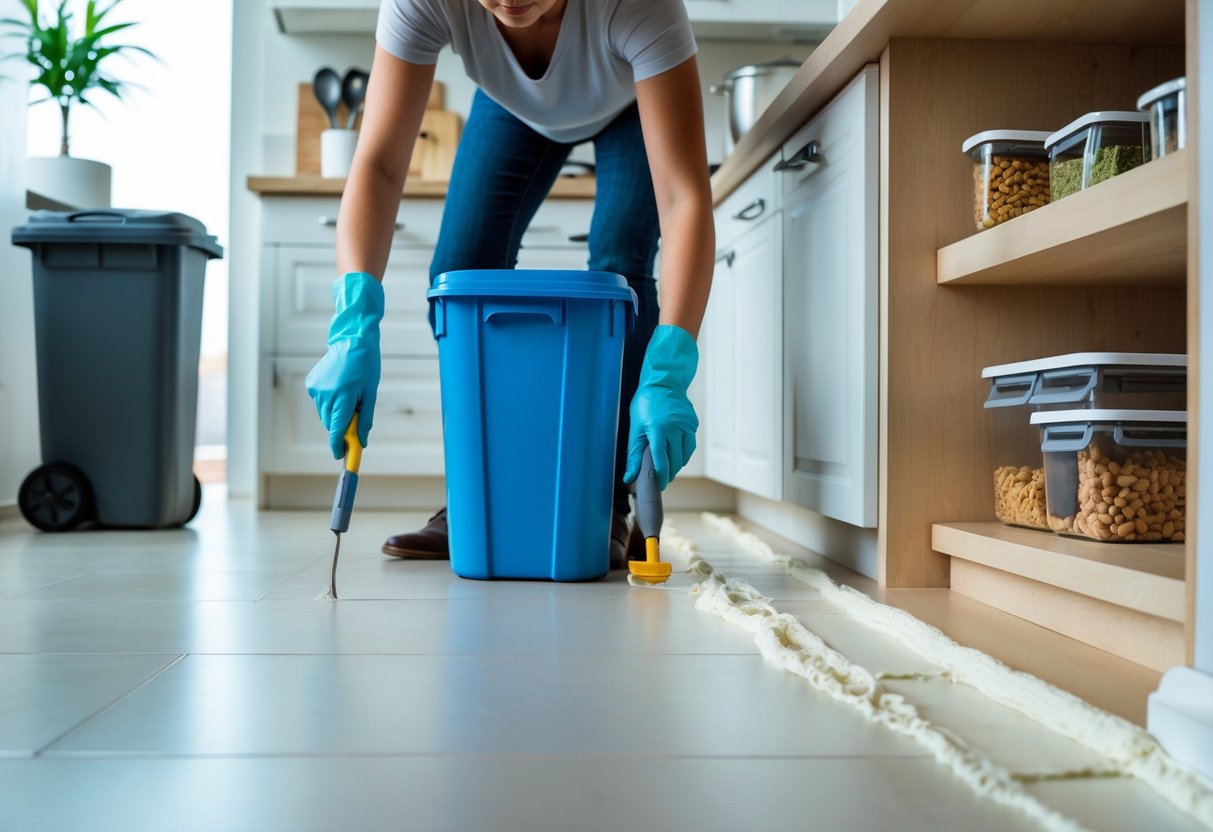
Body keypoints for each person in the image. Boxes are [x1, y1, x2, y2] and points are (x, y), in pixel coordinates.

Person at [305, 0, 714, 567]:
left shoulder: (639, 6)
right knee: (461, 270)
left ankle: (604, 504)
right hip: (512, 109)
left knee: (617, 269)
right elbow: (377, 165)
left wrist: (669, 371)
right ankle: (481, 499)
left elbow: (684, 197)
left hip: (630, 104)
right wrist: (353, 324)